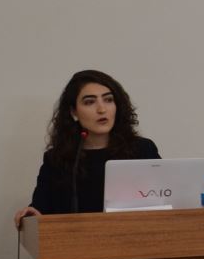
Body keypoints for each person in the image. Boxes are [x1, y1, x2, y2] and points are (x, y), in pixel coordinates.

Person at [14, 69, 160, 227]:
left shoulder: (142, 150)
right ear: (74, 112)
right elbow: (40, 210)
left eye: (108, 100)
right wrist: (31, 214)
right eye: (89, 102)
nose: (102, 109)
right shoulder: (57, 159)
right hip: (74, 241)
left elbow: (164, 202)